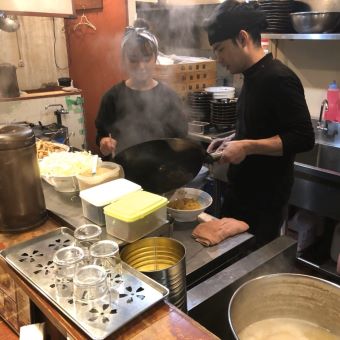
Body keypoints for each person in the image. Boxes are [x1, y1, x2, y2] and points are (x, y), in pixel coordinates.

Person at [204, 0, 315, 247]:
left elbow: (304, 137)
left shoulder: (279, 78)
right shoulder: (251, 76)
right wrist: (233, 139)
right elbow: (258, 125)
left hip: (264, 204)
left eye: (220, 49)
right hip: (242, 192)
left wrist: (247, 147)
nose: (218, 58)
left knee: (250, 268)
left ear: (242, 38)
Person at [95, 23, 188, 157]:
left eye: (147, 58)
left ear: (155, 58)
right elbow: (102, 136)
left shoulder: (170, 97)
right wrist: (104, 143)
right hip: (124, 170)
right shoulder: (112, 97)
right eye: (134, 60)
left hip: (163, 171)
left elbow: (181, 138)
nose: (141, 66)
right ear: (123, 60)